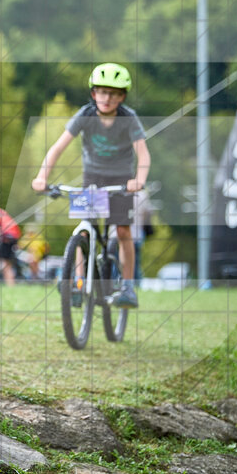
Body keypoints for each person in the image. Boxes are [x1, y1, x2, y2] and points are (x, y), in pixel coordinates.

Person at [31, 62, 151, 308]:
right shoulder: (85, 115)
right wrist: (42, 176)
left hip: (122, 181)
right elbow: (57, 148)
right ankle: (78, 281)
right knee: (84, 229)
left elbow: (144, 154)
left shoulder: (128, 119)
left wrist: (139, 180)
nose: (107, 98)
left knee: (123, 231)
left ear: (122, 97)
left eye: (114, 93)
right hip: (93, 178)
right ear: (93, 93)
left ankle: (127, 287)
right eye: (102, 92)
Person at [131, 189, 154, 285]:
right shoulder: (141, 194)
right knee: (135, 261)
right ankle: (135, 284)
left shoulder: (116, 189)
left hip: (116, 234)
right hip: (137, 233)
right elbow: (148, 212)